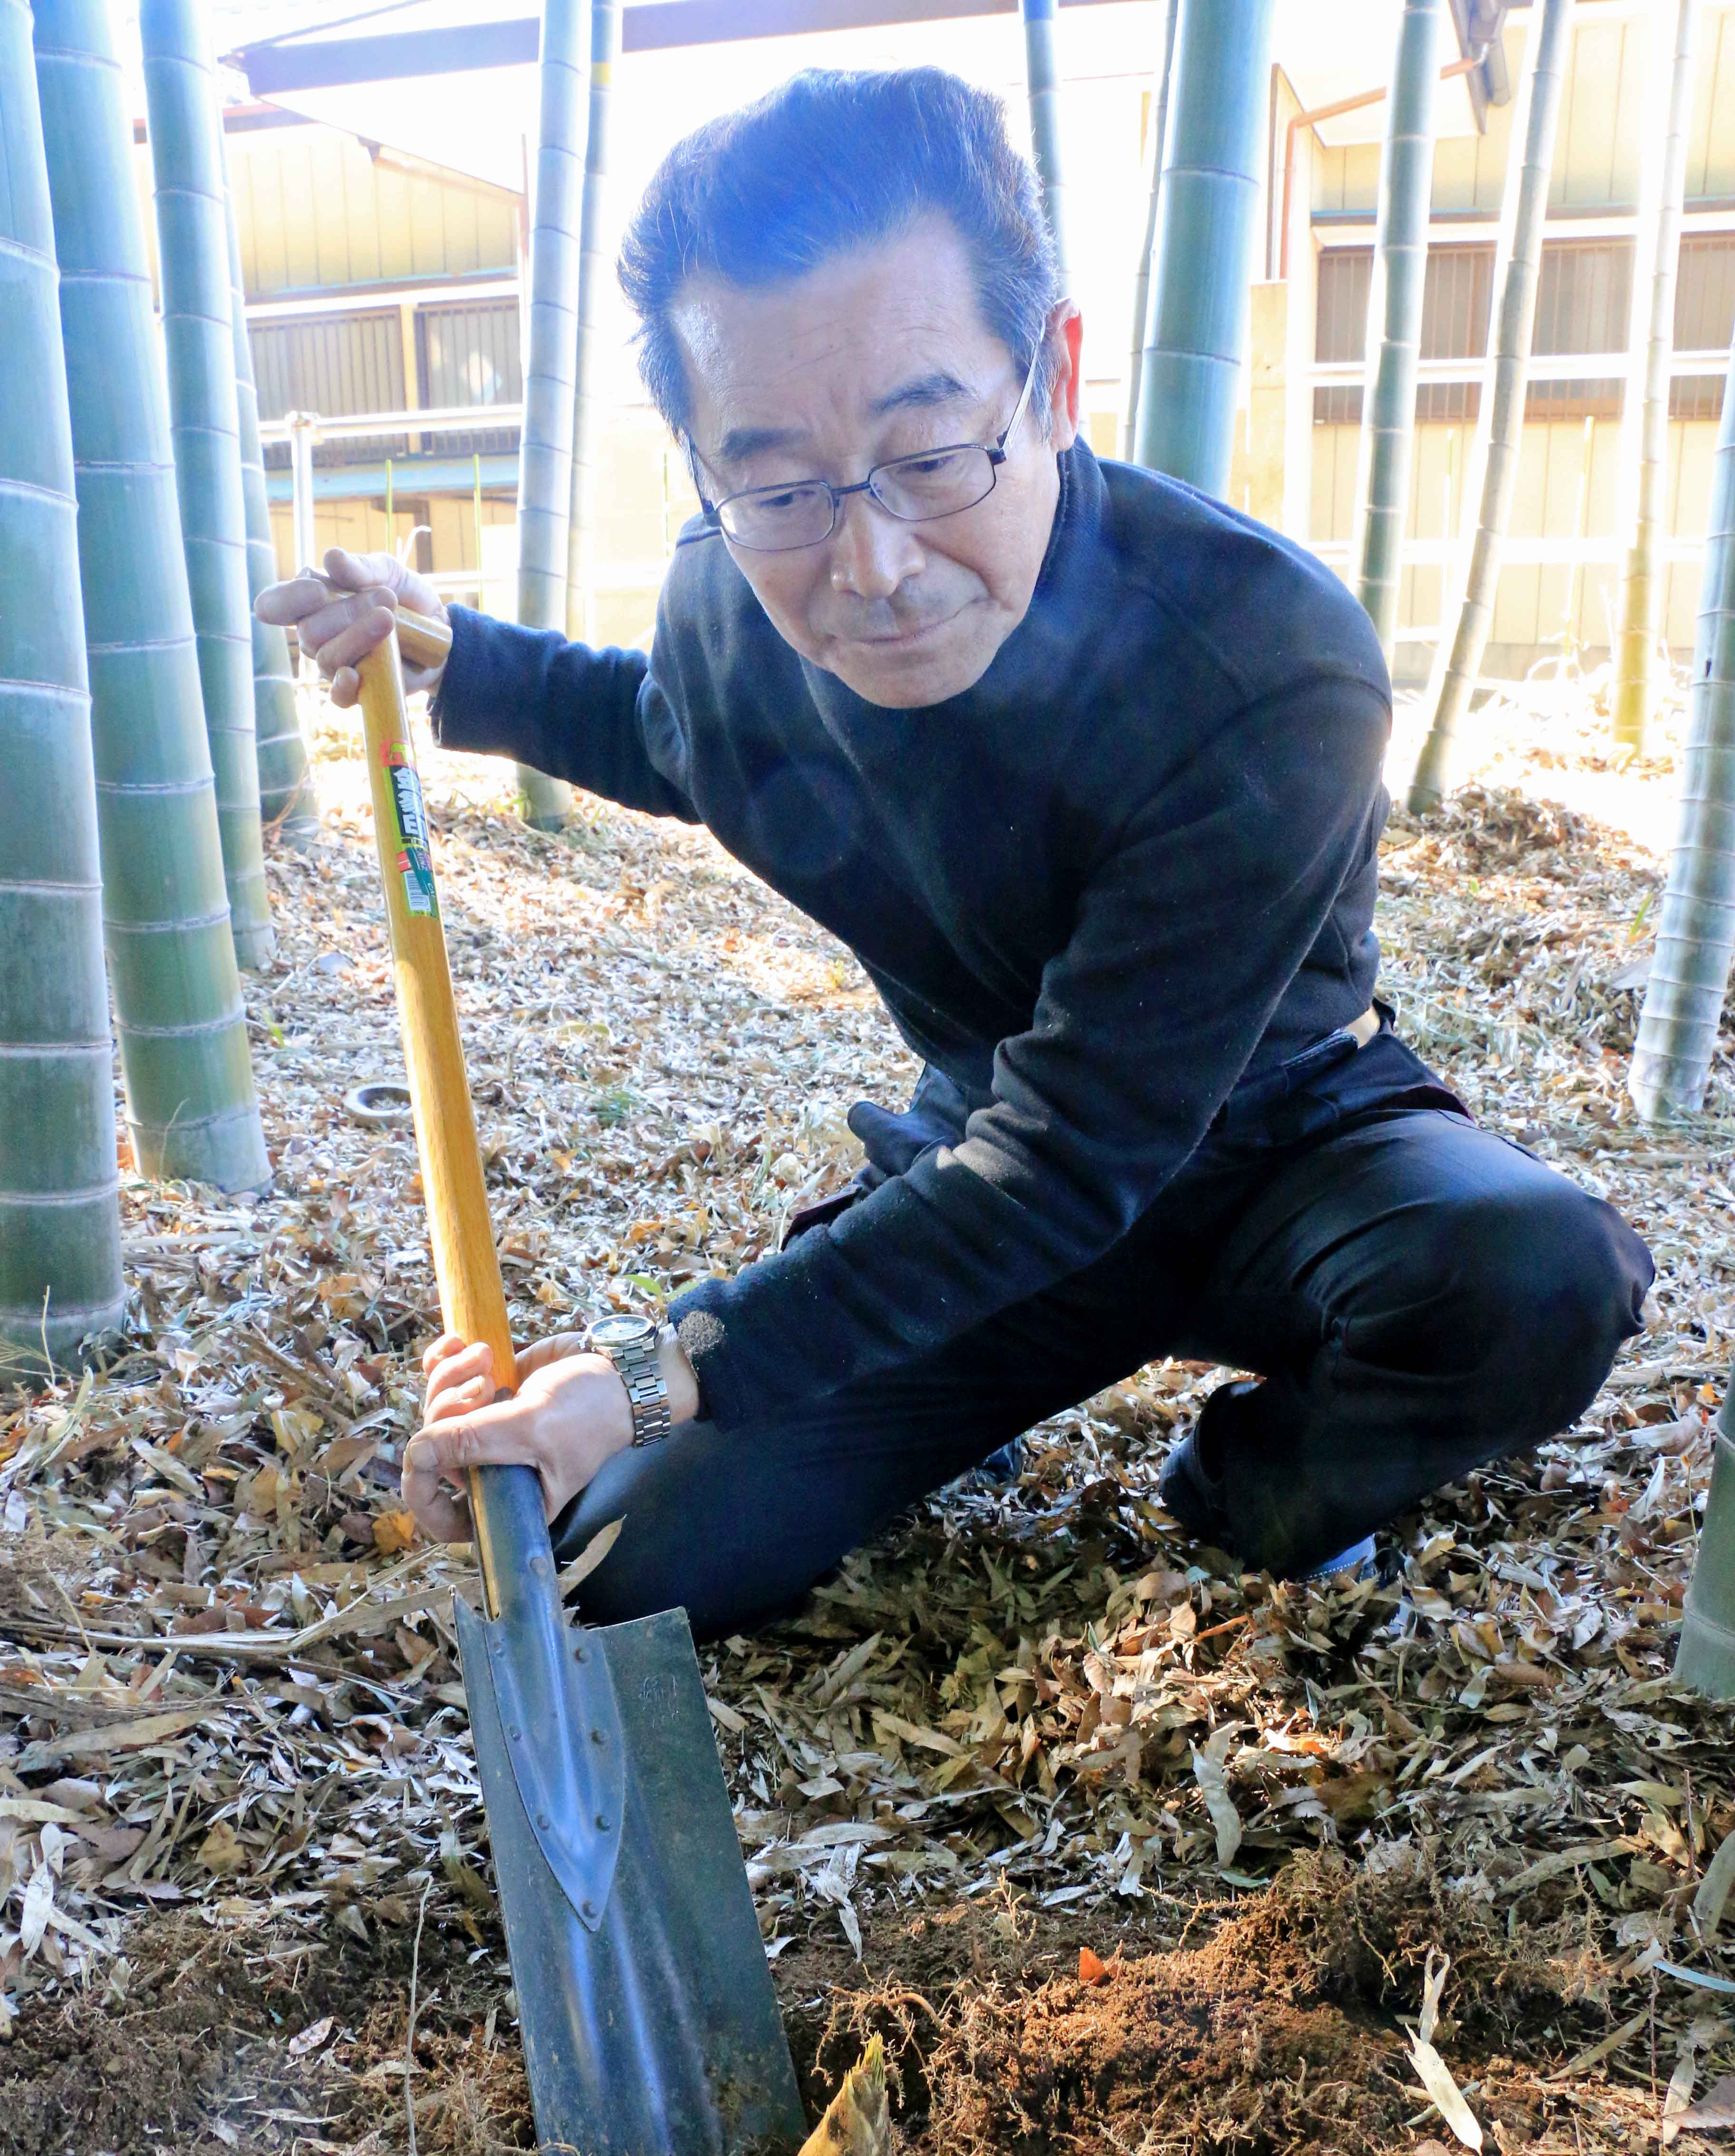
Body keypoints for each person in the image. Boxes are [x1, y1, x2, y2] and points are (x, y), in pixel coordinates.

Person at [259, 67, 1652, 1637]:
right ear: (710, 473)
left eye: (931, 459)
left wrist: (660, 1371)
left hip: (1284, 1145)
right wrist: (460, 661)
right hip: (990, 1161)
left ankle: (1255, 1486)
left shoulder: (1263, 662)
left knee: (1532, 1278)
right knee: (630, 1565)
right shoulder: (736, 604)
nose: (871, 563)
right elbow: (679, 730)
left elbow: (1077, 1161)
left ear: (1049, 378)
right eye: (778, 485)